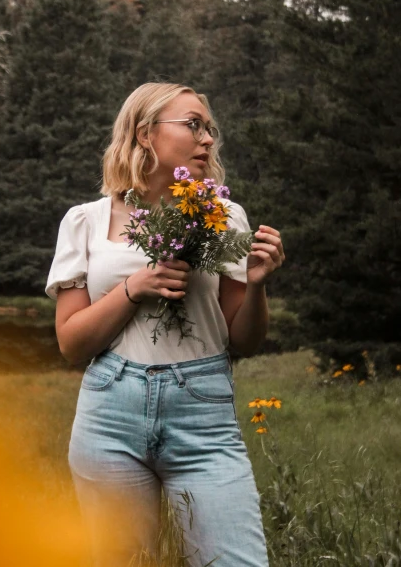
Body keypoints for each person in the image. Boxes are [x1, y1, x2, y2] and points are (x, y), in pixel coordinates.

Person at [46, 82, 285, 567]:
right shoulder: (85, 221)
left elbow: (245, 339)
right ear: (145, 133)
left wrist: (257, 284)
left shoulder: (222, 215)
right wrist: (136, 287)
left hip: (203, 416)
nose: (208, 139)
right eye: (193, 124)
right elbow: (71, 344)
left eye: (209, 128)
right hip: (109, 415)